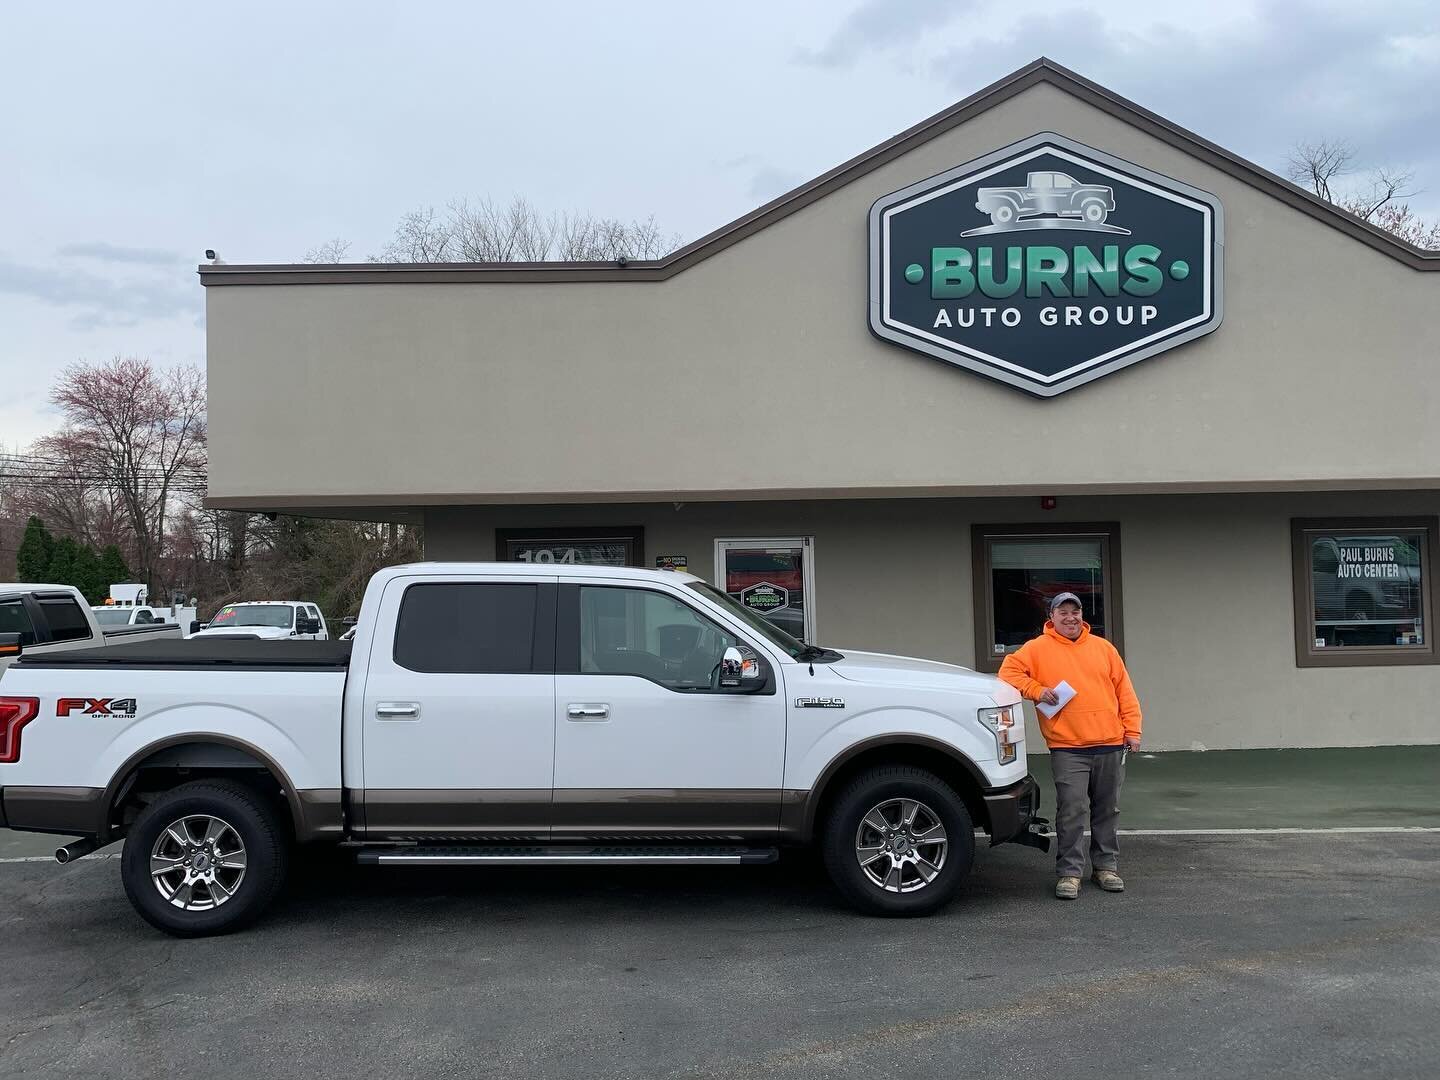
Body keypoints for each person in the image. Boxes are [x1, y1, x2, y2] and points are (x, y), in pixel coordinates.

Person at [998, 592, 1141, 900]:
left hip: (1110, 744)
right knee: (1072, 810)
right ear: (1051, 618)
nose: (1070, 618)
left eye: (1075, 612)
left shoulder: (1104, 649)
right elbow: (1007, 673)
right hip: (1068, 747)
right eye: (1063, 612)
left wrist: (1133, 729)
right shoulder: (1037, 649)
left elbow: (1124, 691)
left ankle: (1106, 867)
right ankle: (1070, 873)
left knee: (1106, 810)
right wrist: (1037, 690)